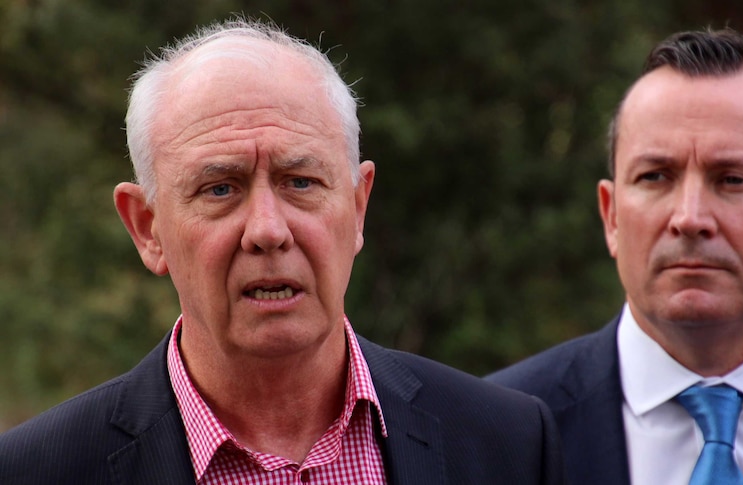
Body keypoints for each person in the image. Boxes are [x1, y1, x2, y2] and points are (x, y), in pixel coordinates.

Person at [0, 18, 565, 484]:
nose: (268, 231)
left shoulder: (508, 445)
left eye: (300, 182)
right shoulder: (35, 471)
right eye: (220, 189)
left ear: (358, 206)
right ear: (147, 228)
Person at [488, 29, 743, 484]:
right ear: (612, 218)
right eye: (655, 176)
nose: (689, 218)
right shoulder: (493, 432)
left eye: (733, 180)